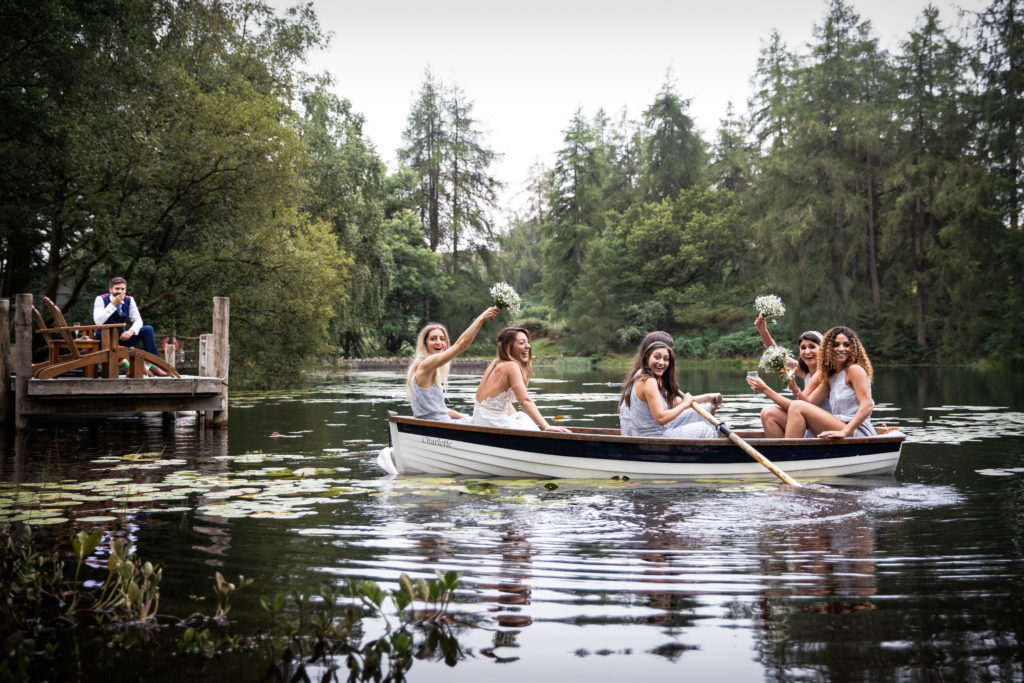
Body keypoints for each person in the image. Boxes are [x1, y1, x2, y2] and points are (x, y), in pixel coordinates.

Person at [618, 335, 722, 439]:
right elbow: (661, 418)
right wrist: (685, 404)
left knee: (702, 411)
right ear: (647, 356)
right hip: (652, 436)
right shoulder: (648, 380)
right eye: (657, 357)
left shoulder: (650, 376)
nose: (662, 362)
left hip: (653, 431)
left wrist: (707, 399)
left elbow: (674, 402)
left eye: (666, 358)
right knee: (704, 429)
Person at [405, 306, 499, 421]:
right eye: (433, 339)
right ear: (424, 343)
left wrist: (460, 415)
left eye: (442, 339)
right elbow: (461, 345)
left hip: (442, 423)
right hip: (442, 426)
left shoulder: (428, 367)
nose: (439, 342)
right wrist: (481, 318)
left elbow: (436, 409)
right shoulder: (426, 364)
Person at [782, 326, 877, 438]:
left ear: (853, 348)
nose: (841, 349)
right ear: (828, 349)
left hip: (857, 430)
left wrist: (845, 432)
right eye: (836, 345)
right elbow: (807, 403)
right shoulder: (830, 377)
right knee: (795, 406)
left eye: (846, 345)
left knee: (797, 406)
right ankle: (793, 451)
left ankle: (791, 452)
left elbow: (868, 405)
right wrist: (794, 387)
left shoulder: (854, 370)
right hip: (839, 424)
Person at [470, 327, 571, 432]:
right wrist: (546, 426)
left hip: (478, 421)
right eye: (522, 343)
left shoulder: (495, 363)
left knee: (518, 416)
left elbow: (501, 403)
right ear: (509, 347)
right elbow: (525, 401)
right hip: (491, 424)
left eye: (528, 342)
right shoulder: (511, 366)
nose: (528, 346)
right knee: (522, 417)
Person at [748, 319, 826, 437]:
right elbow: (775, 353)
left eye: (812, 346)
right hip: (807, 421)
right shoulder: (805, 370)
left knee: (770, 412)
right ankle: (778, 454)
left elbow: (798, 407)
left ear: (823, 350)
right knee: (768, 412)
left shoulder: (823, 373)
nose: (807, 351)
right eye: (803, 347)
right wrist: (762, 330)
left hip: (823, 426)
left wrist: (765, 389)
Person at [92, 276, 167, 376]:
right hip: (104, 338)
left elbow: (138, 320)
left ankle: (153, 365)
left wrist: (131, 331)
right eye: (117, 289)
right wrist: (113, 304)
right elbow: (98, 321)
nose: (120, 291)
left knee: (148, 329)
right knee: (110, 339)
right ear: (110, 289)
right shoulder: (101, 299)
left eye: (122, 289)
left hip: (122, 336)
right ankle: (128, 367)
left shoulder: (129, 300)